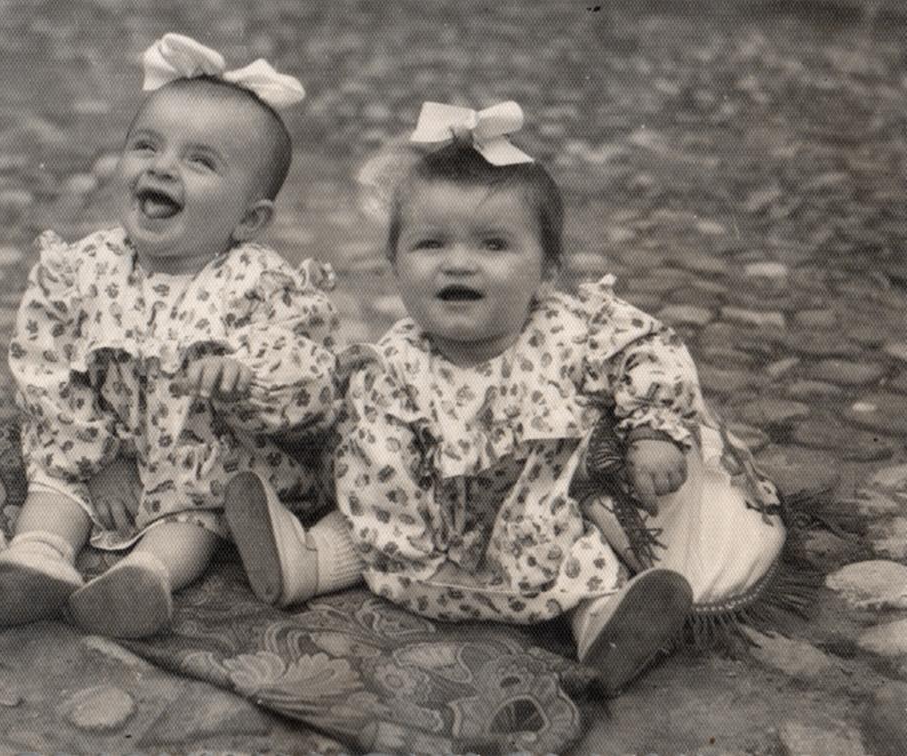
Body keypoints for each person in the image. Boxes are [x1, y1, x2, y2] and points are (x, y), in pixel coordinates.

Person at [225, 99, 786, 696]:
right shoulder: (394, 360)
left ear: (546, 272)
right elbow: (364, 465)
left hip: (541, 533)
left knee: (591, 552)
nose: (458, 264)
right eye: (430, 245)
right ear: (394, 265)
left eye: (493, 245)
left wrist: (652, 430)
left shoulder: (569, 331)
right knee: (358, 492)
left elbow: (648, 349)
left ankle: (602, 624)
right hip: (415, 543)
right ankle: (307, 562)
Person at [0, 33, 341, 639]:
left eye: (200, 161)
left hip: (198, 454)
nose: (161, 167)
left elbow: (310, 371)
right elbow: (43, 362)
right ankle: (37, 555)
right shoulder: (80, 269)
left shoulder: (263, 285)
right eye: (146, 145)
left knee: (196, 514)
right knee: (57, 486)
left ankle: (146, 576)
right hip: (101, 438)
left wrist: (248, 375)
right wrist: (97, 458)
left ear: (250, 218)